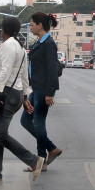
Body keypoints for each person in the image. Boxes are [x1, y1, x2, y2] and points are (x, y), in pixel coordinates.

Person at [0, 17, 44, 183]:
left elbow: (5, 72)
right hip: (13, 93)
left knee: (0, 135)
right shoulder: (19, 47)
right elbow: (23, 75)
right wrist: (25, 97)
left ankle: (34, 161)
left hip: (4, 93)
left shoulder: (8, 46)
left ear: (3, 30)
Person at [21, 12, 62, 173]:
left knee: (38, 122)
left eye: (31, 24)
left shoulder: (49, 44)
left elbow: (52, 69)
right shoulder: (39, 42)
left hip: (43, 89)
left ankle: (41, 160)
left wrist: (50, 92)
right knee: (25, 120)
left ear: (40, 25)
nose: (30, 27)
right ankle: (51, 148)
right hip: (36, 88)